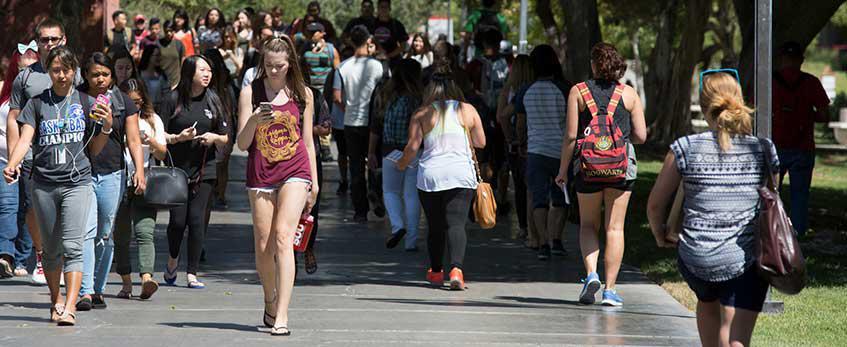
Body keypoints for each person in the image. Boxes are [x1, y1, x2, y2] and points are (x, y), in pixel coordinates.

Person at [646, 71, 776, 347]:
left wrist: (660, 233)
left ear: (704, 106)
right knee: (736, 336)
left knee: (706, 300)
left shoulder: (684, 148)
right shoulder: (763, 150)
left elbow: (656, 204)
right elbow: (771, 199)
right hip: (745, 257)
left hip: (696, 256)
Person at [4, 46, 114, 326]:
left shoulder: (86, 103)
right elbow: (26, 138)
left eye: (66, 70)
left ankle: (71, 306)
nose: (61, 75)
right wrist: (12, 163)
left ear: (74, 71)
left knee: (73, 246)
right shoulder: (37, 104)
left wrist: (107, 126)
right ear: (49, 72)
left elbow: (96, 149)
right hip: (44, 183)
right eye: (55, 70)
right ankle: (56, 300)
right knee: (51, 249)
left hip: (77, 183)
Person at [235, 36, 318, 336]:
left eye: (279, 66)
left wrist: (315, 183)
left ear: (290, 64)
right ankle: (269, 297)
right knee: (263, 244)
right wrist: (255, 120)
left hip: (295, 171)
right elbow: (242, 144)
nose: (273, 71)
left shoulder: (302, 94)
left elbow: (308, 142)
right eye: (268, 66)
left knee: (283, 238)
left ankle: (282, 314)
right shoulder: (250, 93)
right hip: (260, 175)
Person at [555, 43, 646, 307]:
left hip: (587, 168)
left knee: (588, 225)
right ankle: (610, 290)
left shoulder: (578, 92)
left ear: (593, 65)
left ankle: (591, 274)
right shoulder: (628, 94)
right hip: (621, 167)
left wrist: (562, 170)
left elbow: (571, 136)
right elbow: (640, 136)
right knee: (615, 227)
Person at [397, 62, 486, 291]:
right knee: (456, 224)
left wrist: (401, 165)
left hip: (431, 175)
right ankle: (456, 269)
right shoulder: (467, 110)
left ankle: (436, 272)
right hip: (461, 173)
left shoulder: (422, 113)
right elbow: (480, 142)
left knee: (435, 226)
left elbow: (412, 147)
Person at [7, 18, 82, 286]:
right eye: (44, 40)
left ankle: (59, 257)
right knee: (34, 210)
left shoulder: (77, 73)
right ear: (36, 44)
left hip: (70, 155)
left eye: (54, 39)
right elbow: (13, 117)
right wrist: (16, 157)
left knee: (65, 209)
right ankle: (42, 256)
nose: (49, 44)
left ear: (64, 41)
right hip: (33, 157)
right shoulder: (26, 77)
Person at [76, 52, 145, 311]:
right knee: (86, 231)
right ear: (86, 75)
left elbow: (134, 139)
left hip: (112, 173)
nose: (100, 79)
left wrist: (139, 170)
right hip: (82, 172)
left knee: (104, 233)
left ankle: (98, 287)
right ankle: (85, 290)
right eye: (95, 75)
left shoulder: (123, 102)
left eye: (105, 74)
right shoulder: (77, 98)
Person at [160, 55, 229, 289]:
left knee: (197, 220)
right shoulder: (172, 99)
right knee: (178, 222)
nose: (207, 74)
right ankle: (172, 261)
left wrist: (213, 138)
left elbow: (226, 136)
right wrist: (179, 138)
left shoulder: (214, 100)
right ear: (189, 72)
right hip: (177, 170)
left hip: (204, 168)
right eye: (202, 70)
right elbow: (159, 135)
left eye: (209, 70)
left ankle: (192, 273)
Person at [513, 45, 569, 261]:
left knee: (538, 198)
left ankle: (543, 243)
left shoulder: (525, 90)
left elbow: (520, 123)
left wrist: (521, 142)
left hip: (535, 151)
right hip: (560, 151)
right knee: (560, 199)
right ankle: (556, 240)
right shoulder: (565, 89)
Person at [113, 78, 167, 300]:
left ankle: (146, 278)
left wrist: (150, 141)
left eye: (138, 102)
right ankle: (126, 282)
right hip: (118, 180)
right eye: (129, 101)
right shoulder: (114, 118)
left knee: (145, 232)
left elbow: (163, 153)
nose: (134, 106)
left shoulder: (152, 120)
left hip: (144, 180)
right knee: (121, 235)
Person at [772, 41, 830, 237]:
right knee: (800, 195)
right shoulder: (811, 82)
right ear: (801, 60)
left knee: (771, 194)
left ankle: (771, 231)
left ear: (780, 59)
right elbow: (824, 115)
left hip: (774, 147)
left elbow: (755, 110)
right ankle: (798, 233)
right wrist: (805, 115)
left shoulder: (768, 82)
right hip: (803, 147)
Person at [370, 59, 423, 252]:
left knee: (391, 192)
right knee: (411, 195)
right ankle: (411, 241)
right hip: (414, 151)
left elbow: (375, 125)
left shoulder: (386, 95)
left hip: (389, 151)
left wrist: (370, 152)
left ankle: (397, 226)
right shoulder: (419, 98)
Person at [333, 25, 384, 223]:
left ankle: (360, 211)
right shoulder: (377, 66)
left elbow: (337, 97)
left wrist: (349, 109)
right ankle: (376, 193)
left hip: (350, 122)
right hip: (373, 122)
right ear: (368, 40)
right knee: (375, 161)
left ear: (351, 42)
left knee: (355, 166)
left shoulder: (343, 67)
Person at [0, 46, 39, 279]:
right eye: (22, 69)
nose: (26, 75)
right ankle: (5, 255)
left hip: (34, 161)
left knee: (29, 209)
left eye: (31, 70)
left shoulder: (41, 97)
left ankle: (22, 258)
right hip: (5, 159)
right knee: (7, 205)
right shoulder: (4, 93)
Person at [496, 54, 533, 242]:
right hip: (532, 140)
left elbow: (501, 116)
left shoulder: (508, 90)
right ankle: (534, 227)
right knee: (531, 186)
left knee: (519, 185)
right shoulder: (535, 88)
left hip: (514, 144)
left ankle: (524, 227)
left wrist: (511, 138)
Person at [203, 49, 238, 209]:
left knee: (216, 161)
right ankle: (220, 194)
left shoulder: (218, 83)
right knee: (223, 163)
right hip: (226, 122)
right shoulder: (226, 82)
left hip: (219, 121)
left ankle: (215, 193)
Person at [302, 22, 341, 94]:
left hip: (326, 92)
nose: (311, 34)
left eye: (314, 32)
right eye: (309, 32)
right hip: (309, 91)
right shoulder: (304, 49)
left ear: (322, 33)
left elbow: (338, 72)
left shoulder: (331, 50)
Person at [372, 0, 408, 65]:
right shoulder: (372, 24)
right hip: (374, 60)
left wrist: (388, 56)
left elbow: (403, 46)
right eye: (381, 7)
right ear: (378, 8)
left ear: (390, 9)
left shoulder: (397, 25)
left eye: (386, 7)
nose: (383, 9)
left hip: (393, 62)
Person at [138, 44, 170, 112]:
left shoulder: (162, 75)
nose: (159, 58)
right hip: (143, 110)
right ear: (148, 56)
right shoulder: (139, 74)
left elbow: (167, 94)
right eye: (156, 55)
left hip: (159, 111)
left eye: (160, 55)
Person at [158, 20, 186, 90]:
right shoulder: (158, 43)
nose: (169, 33)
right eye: (166, 31)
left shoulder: (179, 44)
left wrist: (181, 81)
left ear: (174, 31)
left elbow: (183, 63)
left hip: (175, 82)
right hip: (161, 82)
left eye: (171, 31)